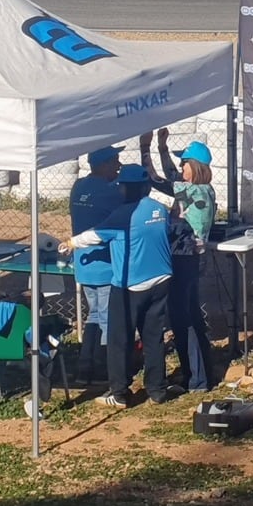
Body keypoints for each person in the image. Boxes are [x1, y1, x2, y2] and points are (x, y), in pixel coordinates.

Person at [62, 163, 176, 407]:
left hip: (130, 284)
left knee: (119, 339)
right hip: (161, 278)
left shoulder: (123, 215)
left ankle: (120, 392)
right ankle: (157, 390)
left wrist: (71, 242)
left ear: (125, 188)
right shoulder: (159, 209)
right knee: (153, 337)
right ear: (146, 187)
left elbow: (94, 235)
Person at [151, 132, 218, 392]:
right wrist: (161, 147)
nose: (180, 168)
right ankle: (199, 374)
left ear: (196, 166)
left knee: (183, 320)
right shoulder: (200, 190)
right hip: (190, 260)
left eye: (184, 163)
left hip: (183, 261)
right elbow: (171, 175)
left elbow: (158, 180)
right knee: (191, 318)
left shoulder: (192, 191)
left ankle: (196, 379)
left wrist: (146, 150)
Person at [68, 147, 125, 381]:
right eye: (114, 162)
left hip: (83, 263)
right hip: (104, 264)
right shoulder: (110, 192)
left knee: (94, 313)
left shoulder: (78, 186)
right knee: (107, 316)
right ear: (102, 165)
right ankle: (104, 366)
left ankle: (85, 365)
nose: (119, 166)